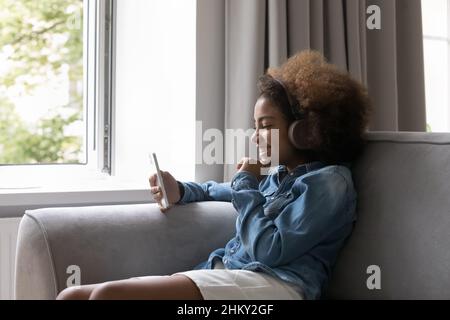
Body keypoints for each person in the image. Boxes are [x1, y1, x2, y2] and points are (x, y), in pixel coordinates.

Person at [57, 50, 371, 300]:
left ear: (306, 130)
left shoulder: (329, 183)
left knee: (109, 296)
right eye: (255, 126)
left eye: (266, 125)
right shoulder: (277, 177)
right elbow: (216, 191)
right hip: (233, 272)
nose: (255, 136)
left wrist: (248, 183)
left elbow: (269, 250)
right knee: (72, 295)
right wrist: (179, 189)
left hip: (278, 286)